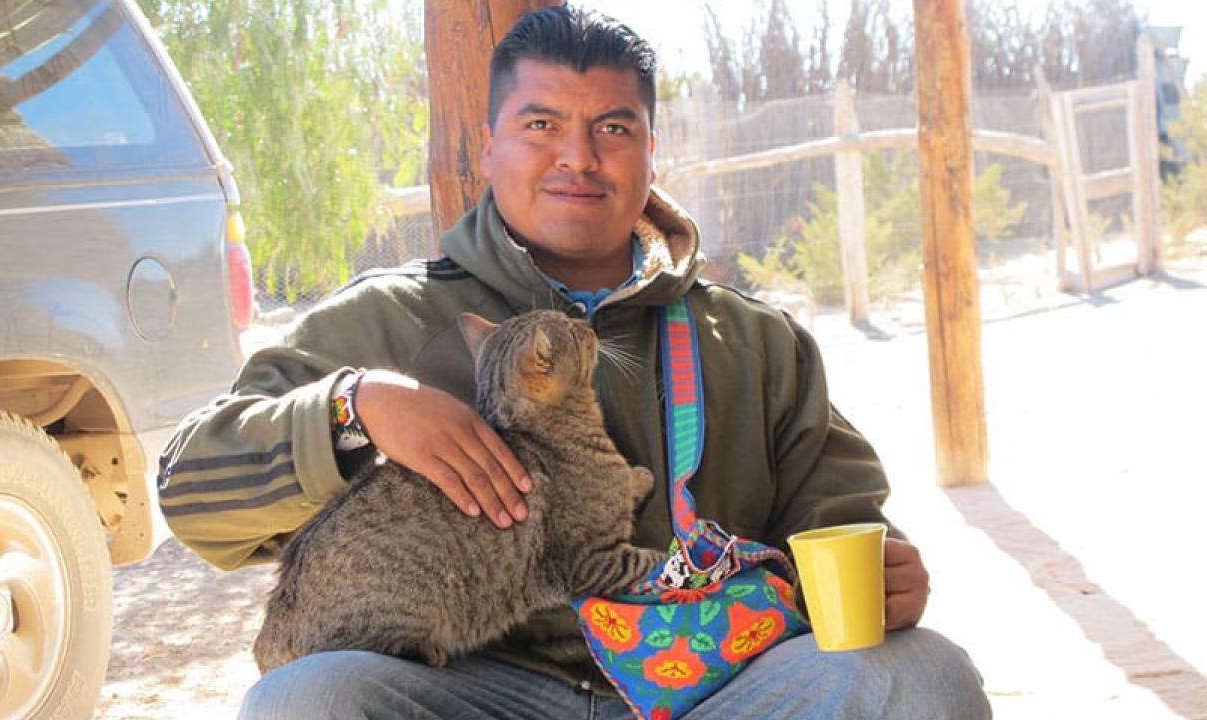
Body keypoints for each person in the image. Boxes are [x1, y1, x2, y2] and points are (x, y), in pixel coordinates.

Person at [158, 6, 991, 718]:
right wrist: (353, 406)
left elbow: (840, 518)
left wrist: (886, 573)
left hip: (720, 688)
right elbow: (190, 492)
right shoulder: (386, 319)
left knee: (921, 677)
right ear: (487, 146)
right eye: (541, 124)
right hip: (476, 687)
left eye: (613, 128)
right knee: (307, 702)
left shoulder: (758, 341)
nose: (579, 157)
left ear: (650, 150)